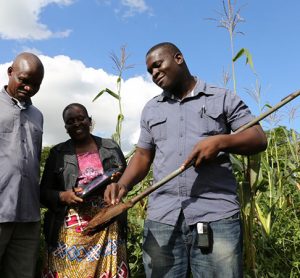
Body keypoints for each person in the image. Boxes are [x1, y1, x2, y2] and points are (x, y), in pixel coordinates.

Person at [104, 42, 268, 278]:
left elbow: (258, 138)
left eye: (158, 65)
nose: (154, 74)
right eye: (150, 71)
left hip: (216, 214)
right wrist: (123, 185)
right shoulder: (151, 109)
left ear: (178, 58)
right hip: (163, 218)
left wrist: (221, 142)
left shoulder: (221, 98)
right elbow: (142, 155)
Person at [40, 103, 129, 278]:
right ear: (65, 127)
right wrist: (63, 196)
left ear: (89, 121)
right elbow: (42, 193)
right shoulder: (58, 153)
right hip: (71, 229)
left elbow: (126, 179)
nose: (76, 124)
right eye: (70, 121)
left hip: (107, 223)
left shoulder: (110, 147)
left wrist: (116, 185)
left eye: (81, 119)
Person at [0, 52, 44, 278]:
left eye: (35, 84)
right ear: (10, 72)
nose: (28, 88)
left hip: (28, 214)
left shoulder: (38, 115)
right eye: (24, 80)